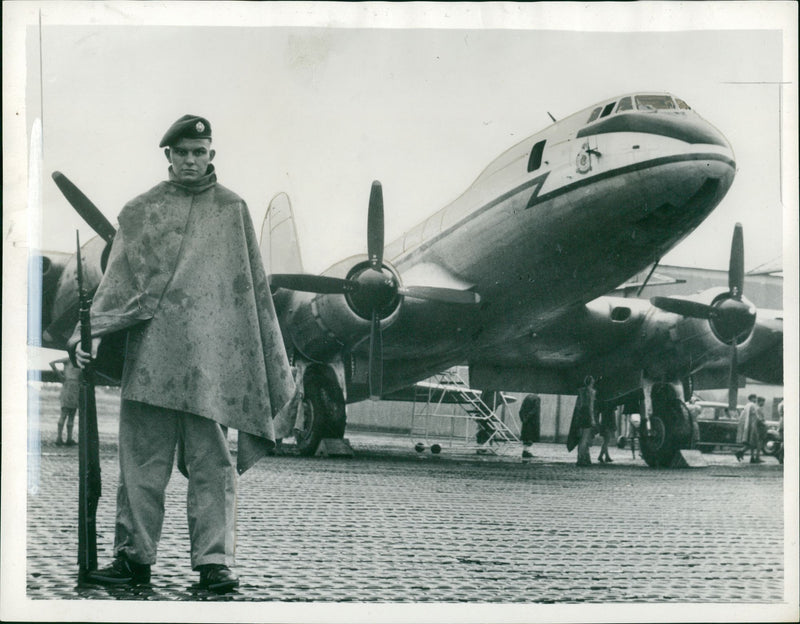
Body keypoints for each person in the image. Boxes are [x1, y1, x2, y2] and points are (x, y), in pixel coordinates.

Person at [71, 115, 298, 592]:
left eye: (200, 152)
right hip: (150, 367)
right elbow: (115, 288)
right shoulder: (140, 211)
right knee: (140, 469)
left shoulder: (232, 211)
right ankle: (134, 560)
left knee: (213, 469)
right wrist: (84, 338)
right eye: (183, 152)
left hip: (209, 372)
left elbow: (251, 296)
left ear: (211, 155)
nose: (191, 160)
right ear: (168, 156)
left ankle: (215, 564)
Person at [566, 376, 598, 466]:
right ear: (592, 382)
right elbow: (591, 407)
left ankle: (580, 457)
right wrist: (592, 419)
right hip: (587, 416)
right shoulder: (592, 392)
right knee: (585, 439)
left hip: (580, 416)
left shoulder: (581, 391)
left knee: (581, 439)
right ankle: (581, 459)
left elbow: (578, 406)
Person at [51, 358, 80, 446]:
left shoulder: (75, 360)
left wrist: (61, 376)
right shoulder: (69, 359)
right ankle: (59, 438)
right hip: (69, 386)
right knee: (65, 413)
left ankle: (68, 439)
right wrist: (60, 376)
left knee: (71, 414)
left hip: (74, 387)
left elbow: (52, 363)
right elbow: (52, 362)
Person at [735, 394, 761, 463]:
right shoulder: (753, 405)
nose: (755, 399)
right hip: (753, 425)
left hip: (748, 426)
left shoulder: (747, 405)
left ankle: (751, 457)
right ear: (752, 398)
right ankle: (741, 452)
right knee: (753, 442)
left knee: (751, 443)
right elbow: (756, 416)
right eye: (754, 398)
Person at [519, 394, 541, 460]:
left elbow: (521, 410)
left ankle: (525, 451)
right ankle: (527, 451)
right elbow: (535, 409)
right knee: (531, 437)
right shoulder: (537, 398)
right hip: (532, 421)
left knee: (526, 436)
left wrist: (523, 418)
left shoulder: (526, 397)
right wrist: (529, 416)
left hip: (525, 421)